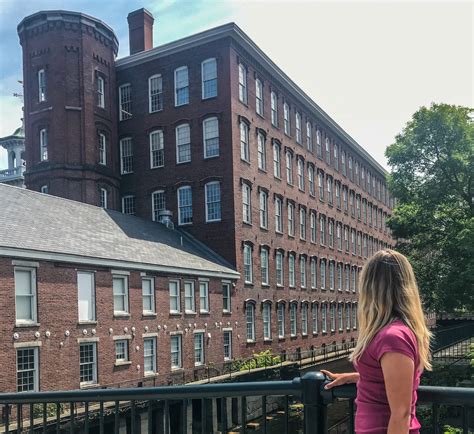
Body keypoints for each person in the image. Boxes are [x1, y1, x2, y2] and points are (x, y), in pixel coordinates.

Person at [321, 249, 432, 434]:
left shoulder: (393, 337)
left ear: (370, 287)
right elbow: (391, 381)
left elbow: (401, 414)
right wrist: (355, 377)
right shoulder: (394, 333)